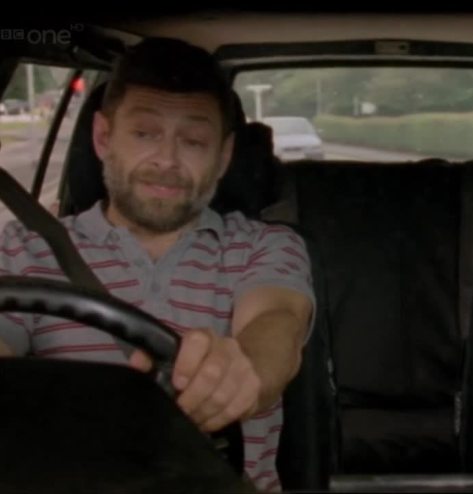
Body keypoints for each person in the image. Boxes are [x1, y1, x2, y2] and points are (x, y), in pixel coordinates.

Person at [0, 37, 315, 492]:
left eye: (194, 141)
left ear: (223, 156)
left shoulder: (264, 244)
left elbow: (278, 323)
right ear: (103, 138)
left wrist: (244, 368)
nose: (167, 161)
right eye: (145, 134)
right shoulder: (25, 248)